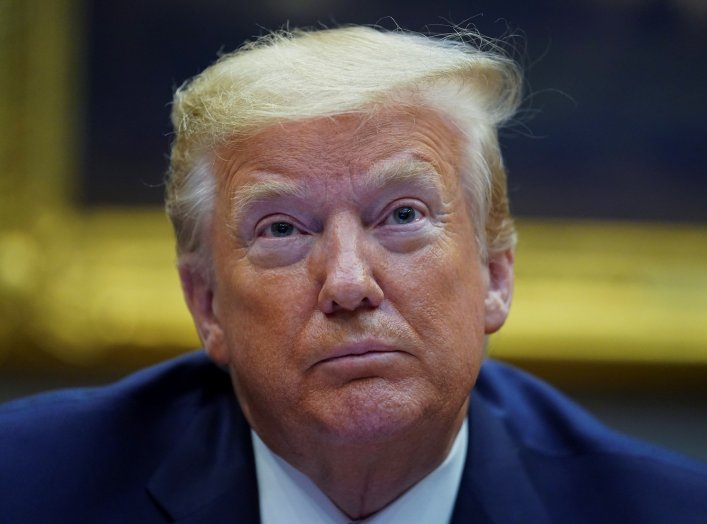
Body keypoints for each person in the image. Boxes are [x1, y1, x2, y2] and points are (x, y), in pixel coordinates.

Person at [1, 26, 705, 524]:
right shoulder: (25, 488)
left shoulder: (663, 512)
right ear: (206, 303)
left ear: (495, 273)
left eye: (400, 215)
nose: (346, 282)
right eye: (281, 229)